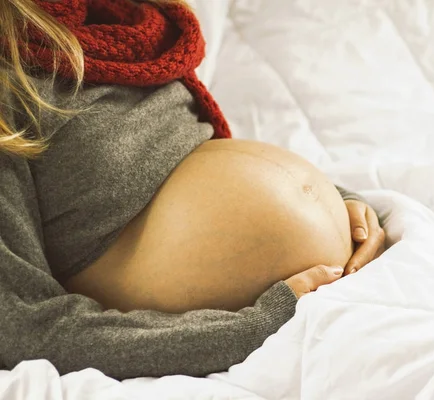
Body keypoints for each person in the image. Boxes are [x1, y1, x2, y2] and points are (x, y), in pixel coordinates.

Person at [0, 0, 385, 379]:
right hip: (258, 329)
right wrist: (256, 326)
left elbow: (181, 154)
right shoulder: (9, 77)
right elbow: (20, 326)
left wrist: (338, 201)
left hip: (341, 285)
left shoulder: (126, 27)